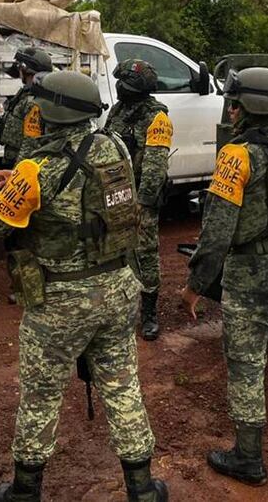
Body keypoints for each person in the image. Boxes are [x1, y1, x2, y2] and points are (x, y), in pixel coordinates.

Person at [0, 71, 167, 502]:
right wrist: (16, 181)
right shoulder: (115, 146)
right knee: (123, 384)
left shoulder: (39, 169)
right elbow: (75, 186)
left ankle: (25, 490)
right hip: (119, 286)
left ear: (48, 112)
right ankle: (143, 488)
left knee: (40, 393)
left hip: (61, 302)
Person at [180, 67, 268, 486]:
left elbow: (217, 232)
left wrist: (195, 286)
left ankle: (248, 457)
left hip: (250, 275)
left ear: (244, 107)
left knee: (246, 362)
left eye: (234, 101)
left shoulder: (237, 156)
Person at [104, 59, 172, 341]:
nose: (121, 88)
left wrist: (142, 203)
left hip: (140, 197)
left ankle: (149, 312)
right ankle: (120, 307)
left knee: (144, 253)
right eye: (120, 83)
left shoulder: (157, 118)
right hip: (115, 192)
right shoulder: (119, 111)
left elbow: (156, 166)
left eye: (127, 85)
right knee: (115, 251)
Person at [0, 47, 54, 167]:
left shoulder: (33, 100)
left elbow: (30, 141)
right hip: (14, 156)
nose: (18, 72)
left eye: (19, 68)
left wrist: (18, 171)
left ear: (25, 69)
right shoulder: (27, 92)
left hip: (20, 161)